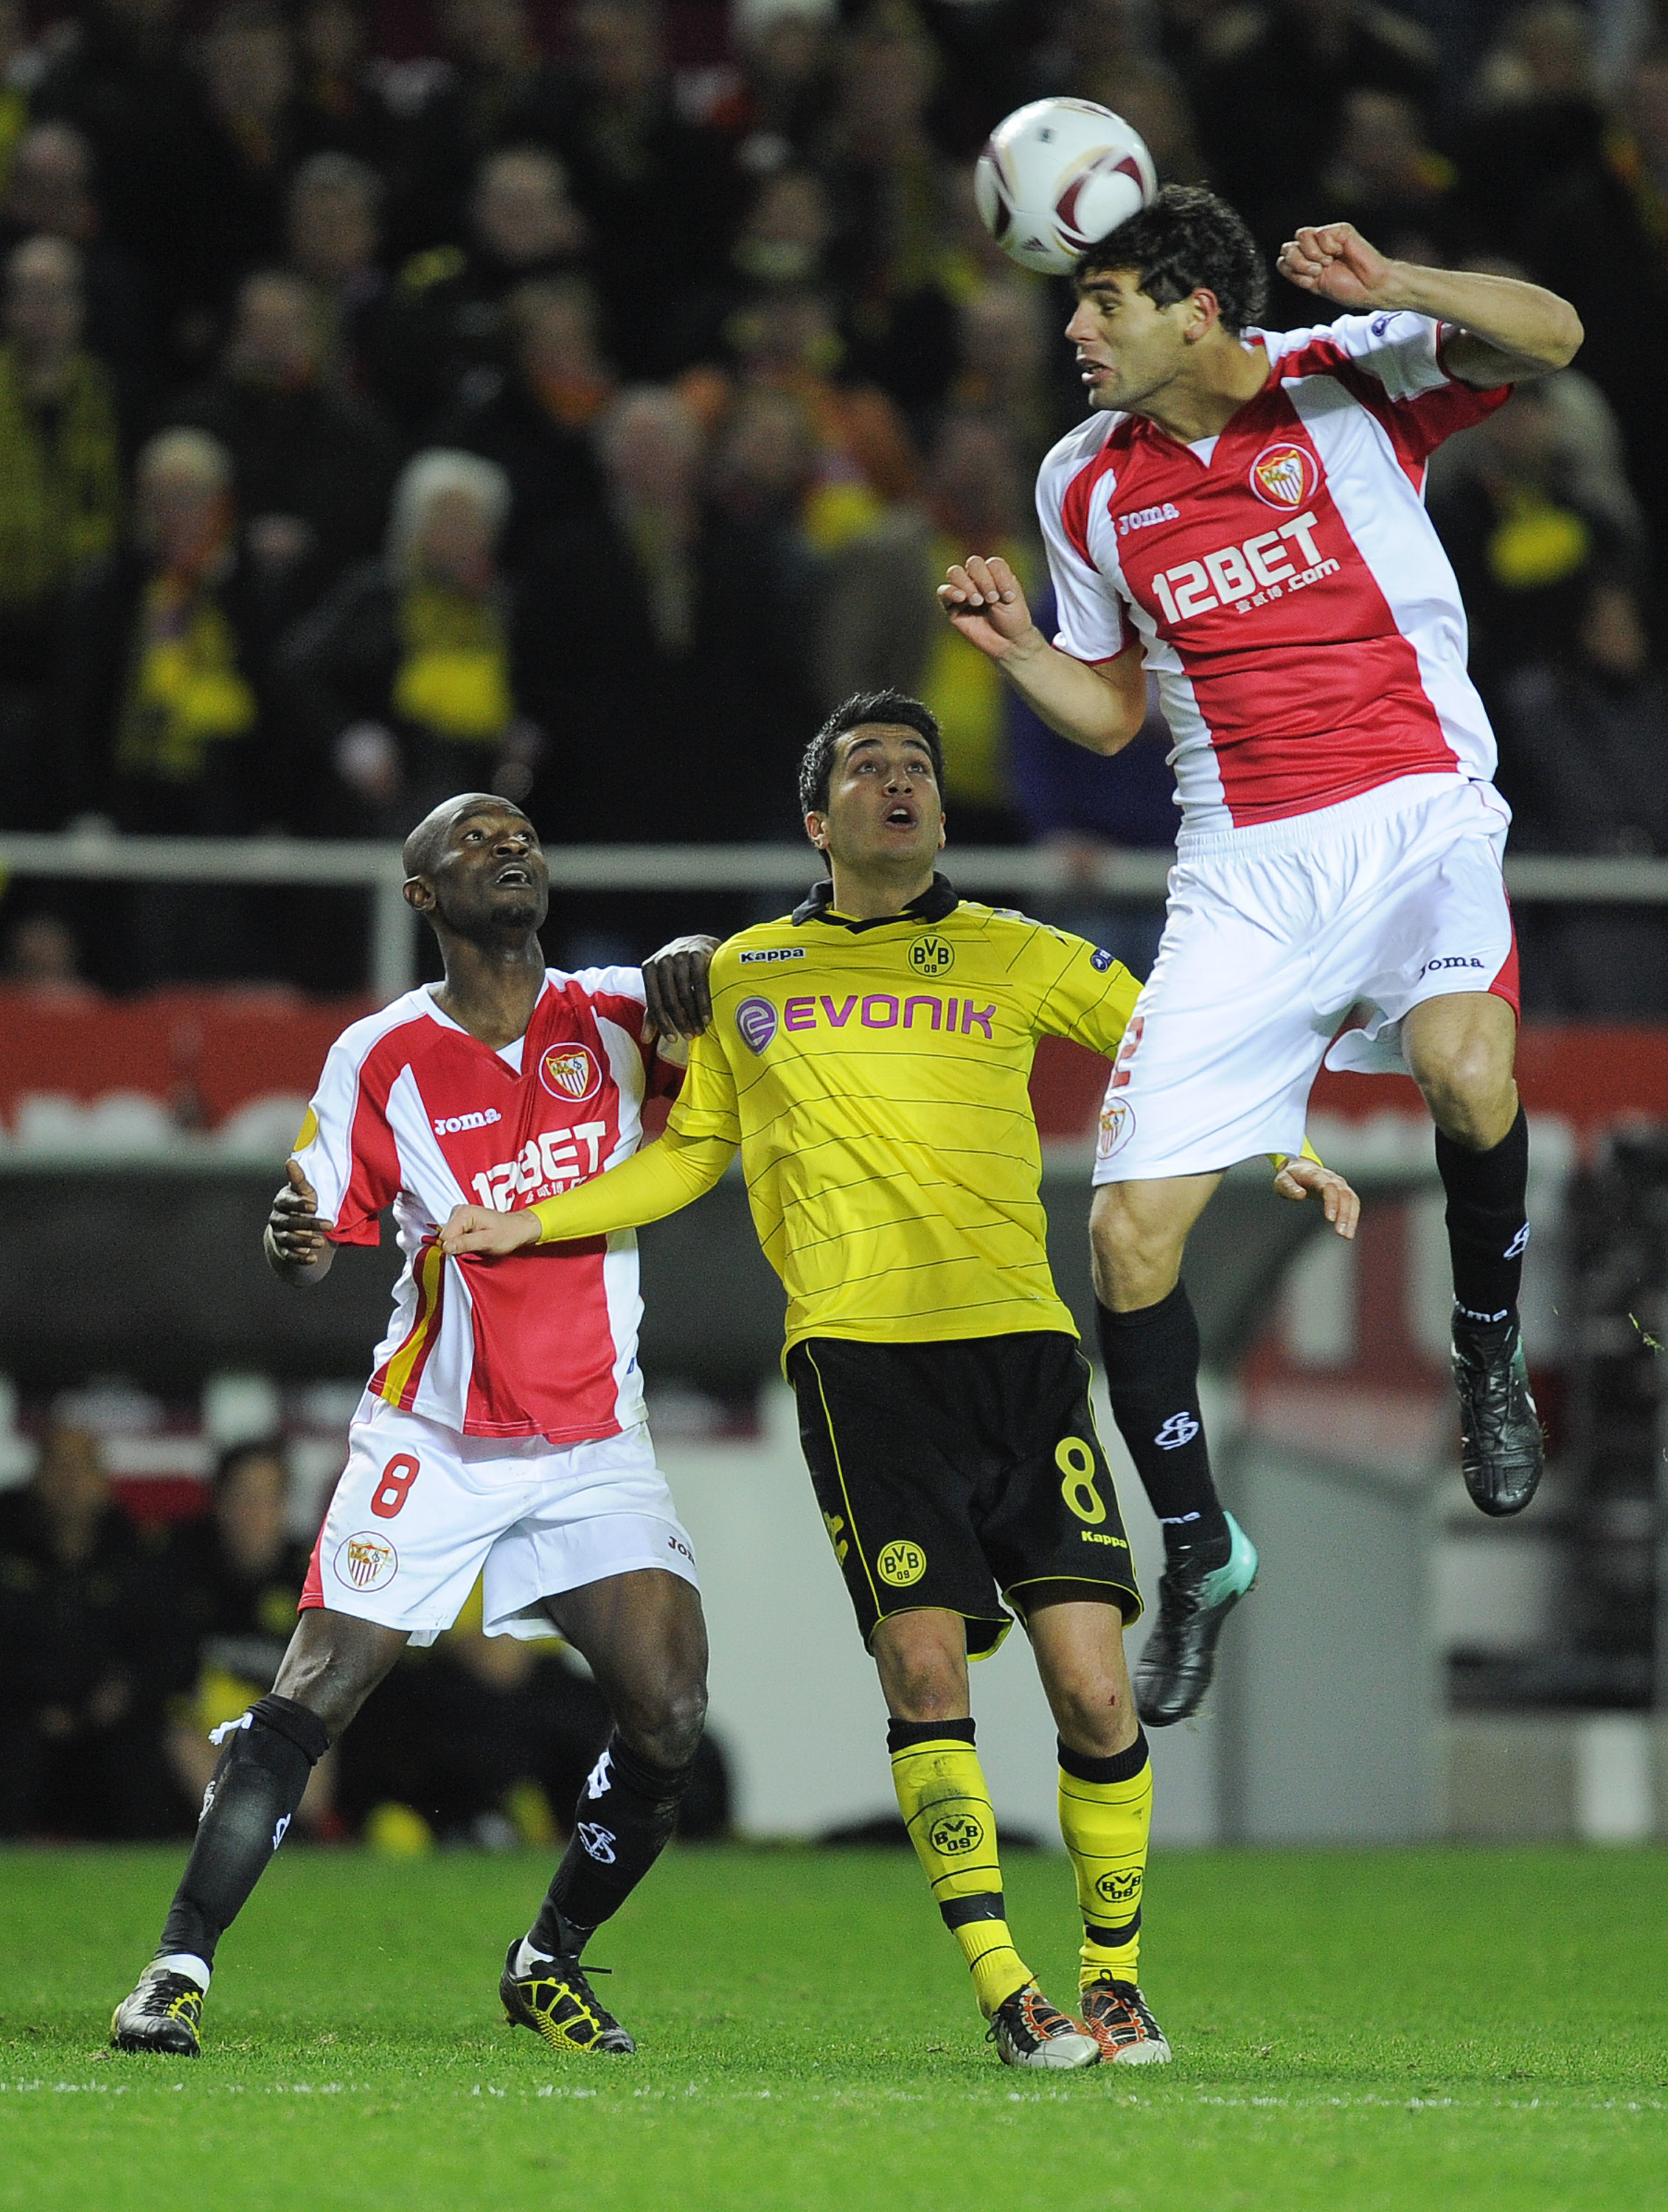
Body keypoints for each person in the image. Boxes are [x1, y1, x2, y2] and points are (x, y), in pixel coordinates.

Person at [437, 692, 1356, 2071]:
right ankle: (1005, 1988)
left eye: (916, 765)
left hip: (1022, 1353)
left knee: (1097, 1694)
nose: (898, 780)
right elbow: (694, 1154)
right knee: (924, 1670)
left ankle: (1114, 1980)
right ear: (820, 818)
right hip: (860, 1364)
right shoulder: (747, 972)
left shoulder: (1012, 949)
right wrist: (539, 1215)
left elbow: (1175, 1049)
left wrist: (1275, 1141)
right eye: (866, 765)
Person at [937, 187, 1583, 1728]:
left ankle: (1485, 1353)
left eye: (1102, 303)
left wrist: (1400, 275)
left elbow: (1555, 335)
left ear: (1194, 311)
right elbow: (1111, 710)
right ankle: (1199, 1545)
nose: (1074, 329)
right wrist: (1024, 647)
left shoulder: (1349, 372)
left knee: (1464, 1065)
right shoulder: (1083, 483)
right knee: (1128, 1243)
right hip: (1242, 869)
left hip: (1417, 814)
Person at [110, 792, 710, 2059]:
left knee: (668, 1711)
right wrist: (289, 1244)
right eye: (475, 842)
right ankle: (174, 1969)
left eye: (525, 836)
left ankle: (546, 1958)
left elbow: (739, 1049)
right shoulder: (380, 1053)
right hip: (433, 1434)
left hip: (595, 1438)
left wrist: (708, 969)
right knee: (313, 1692)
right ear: (421, 896)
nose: (511, 849)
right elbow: (311, 1234)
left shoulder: (615, 1012)